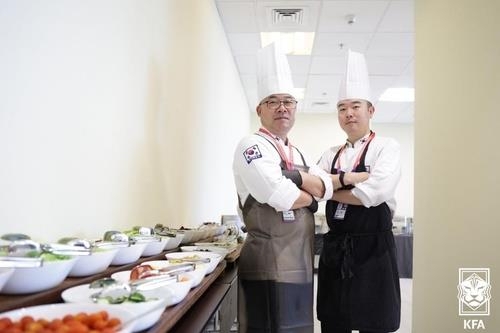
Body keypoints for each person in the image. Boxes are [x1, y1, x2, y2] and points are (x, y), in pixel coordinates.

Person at [233, 43, 366, 333]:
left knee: (298, 327)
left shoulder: (299, 153)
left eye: (289, 101)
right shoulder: (251, 146)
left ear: (295, 108)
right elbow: (280, 196)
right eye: (273, 101)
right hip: (265, 263)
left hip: (301, 264)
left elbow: (326, 188)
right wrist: (310, 194)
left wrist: (294, 178)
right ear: (259, 109)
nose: (282, 107)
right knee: (266, 325)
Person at [316, 50, 402, 333]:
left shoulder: (386, 147)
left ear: (370, 110)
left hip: (373, 252)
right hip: (336, 250)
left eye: (355, 106)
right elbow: (311, 184)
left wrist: (330, 186)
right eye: (342, 107)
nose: (348, 113)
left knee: (374, 323)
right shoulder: (330, 153)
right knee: (333, 323)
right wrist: (353, 179)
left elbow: (373, 194)